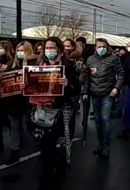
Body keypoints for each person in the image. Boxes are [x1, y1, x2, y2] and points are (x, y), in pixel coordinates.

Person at [26, 37, 79, 190]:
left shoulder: (68, 66)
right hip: (37, 108)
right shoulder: (36, 65)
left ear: (59, 49)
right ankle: (60, 162)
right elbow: (28, 84)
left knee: (48, 144)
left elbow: (76, 88)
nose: (49, 50)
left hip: (56, 110)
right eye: (47, 48)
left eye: (52, 47)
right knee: (42, 143)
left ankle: (48, 178)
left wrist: (67, 84)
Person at [83, 38, 124, 158]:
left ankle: (106, 146)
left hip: (108, 93)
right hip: (94, 93)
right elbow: (87, 77)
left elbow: (121, 74)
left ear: (107, 47)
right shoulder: (90, 59)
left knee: (105, 119)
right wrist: (85, 92)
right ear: (95, 48)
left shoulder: (113, 59)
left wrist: (116, 88)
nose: (101, 49)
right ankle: (100, 143)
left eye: (103, 46)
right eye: (99, 46)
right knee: (97, 120)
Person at [4, 41, 36, 165]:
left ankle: (37, 147)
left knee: (30, 126)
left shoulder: (34, 64)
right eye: (18, 50)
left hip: (29, 101)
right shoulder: (11, 64)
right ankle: (15, 151)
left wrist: (28, 86)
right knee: (15, 126)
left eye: (22, 50)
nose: (20, 53)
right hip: (14, 101)